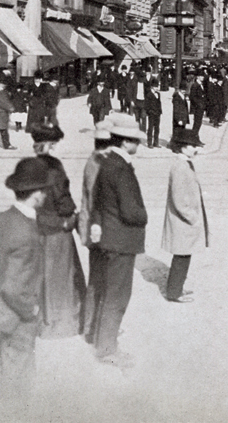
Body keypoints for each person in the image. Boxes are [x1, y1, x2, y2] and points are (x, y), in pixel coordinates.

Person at [0, 158, 51, 410]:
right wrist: (31, 309)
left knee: (8, 362)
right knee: (20, 370)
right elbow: (15, 285)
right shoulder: (27, 231)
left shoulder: (1, 219)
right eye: (44, 190)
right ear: (37, 194)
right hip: (19, 313)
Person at [87, 117, 147, 368]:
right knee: (118, 295)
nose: (139, 145)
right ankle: (107, 349)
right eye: (135, 141)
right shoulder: (120, 167)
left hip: (109, 237)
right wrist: (144, 215)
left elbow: (100, 202)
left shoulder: (106, 163)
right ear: (125, 142)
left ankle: (99, 336)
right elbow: (131, 211)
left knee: (106, 290)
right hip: (122, 240)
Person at [30, 123, 85, 339]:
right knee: (61, 275)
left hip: (38, 225)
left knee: (42, 273)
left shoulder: (31, 166)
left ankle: (43, 320)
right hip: (57, 228)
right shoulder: (54, 169)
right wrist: (72, 215)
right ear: (50, 145)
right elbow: (63, 199)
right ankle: (60, 324)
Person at [162, 128, 209, 303]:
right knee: (181, 256)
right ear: (181, 147)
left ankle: (177, 288)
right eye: (192, 145)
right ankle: (174, 293)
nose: (195, 149)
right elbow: (179, 199)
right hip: (183, 221)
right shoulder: (180, 167)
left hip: (184, 221)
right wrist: (192, 218)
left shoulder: (184, 163)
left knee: (184, 255)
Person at [79, 121, 114, 341]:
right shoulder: (97, 164)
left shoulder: (95, 160)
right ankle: (93, 328)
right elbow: (97, 200)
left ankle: (91, 326)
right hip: (98, 228)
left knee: (98, 279)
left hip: (95, 226)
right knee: (100, 280)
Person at [189, 70, 206, 138]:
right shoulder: (195, 85)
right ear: (198, 77)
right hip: (197, 107)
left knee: (199, 123)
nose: (203, 77)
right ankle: (193, 137)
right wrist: (199, 104)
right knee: (197, 122)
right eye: (201, 76)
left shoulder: (200, 84)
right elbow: (192, 97)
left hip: (201, 107)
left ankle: (195, 136)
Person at [145, 82, 162, 148]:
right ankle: (149, 143)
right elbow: (147, 105)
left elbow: (159, 103)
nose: (157, 88)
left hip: (157, 113)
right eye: (155, 87)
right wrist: (149, 111)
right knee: (150, 128)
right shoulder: (149, 94)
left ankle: (156, 142)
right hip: (152, 113)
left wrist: (160, 111)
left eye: (157, 86)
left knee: (157, 128)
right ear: (152, 87)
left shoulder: (158, 94)